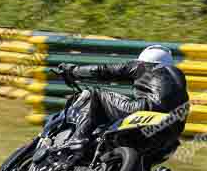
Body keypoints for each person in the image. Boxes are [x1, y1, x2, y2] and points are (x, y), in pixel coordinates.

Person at [58, 45, 189, 149]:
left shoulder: (143, 65)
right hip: (175, 127)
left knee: (96, 94)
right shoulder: (178, 76)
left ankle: (77, 140)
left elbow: (104, 70)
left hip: (146, 110)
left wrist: (73, 71)